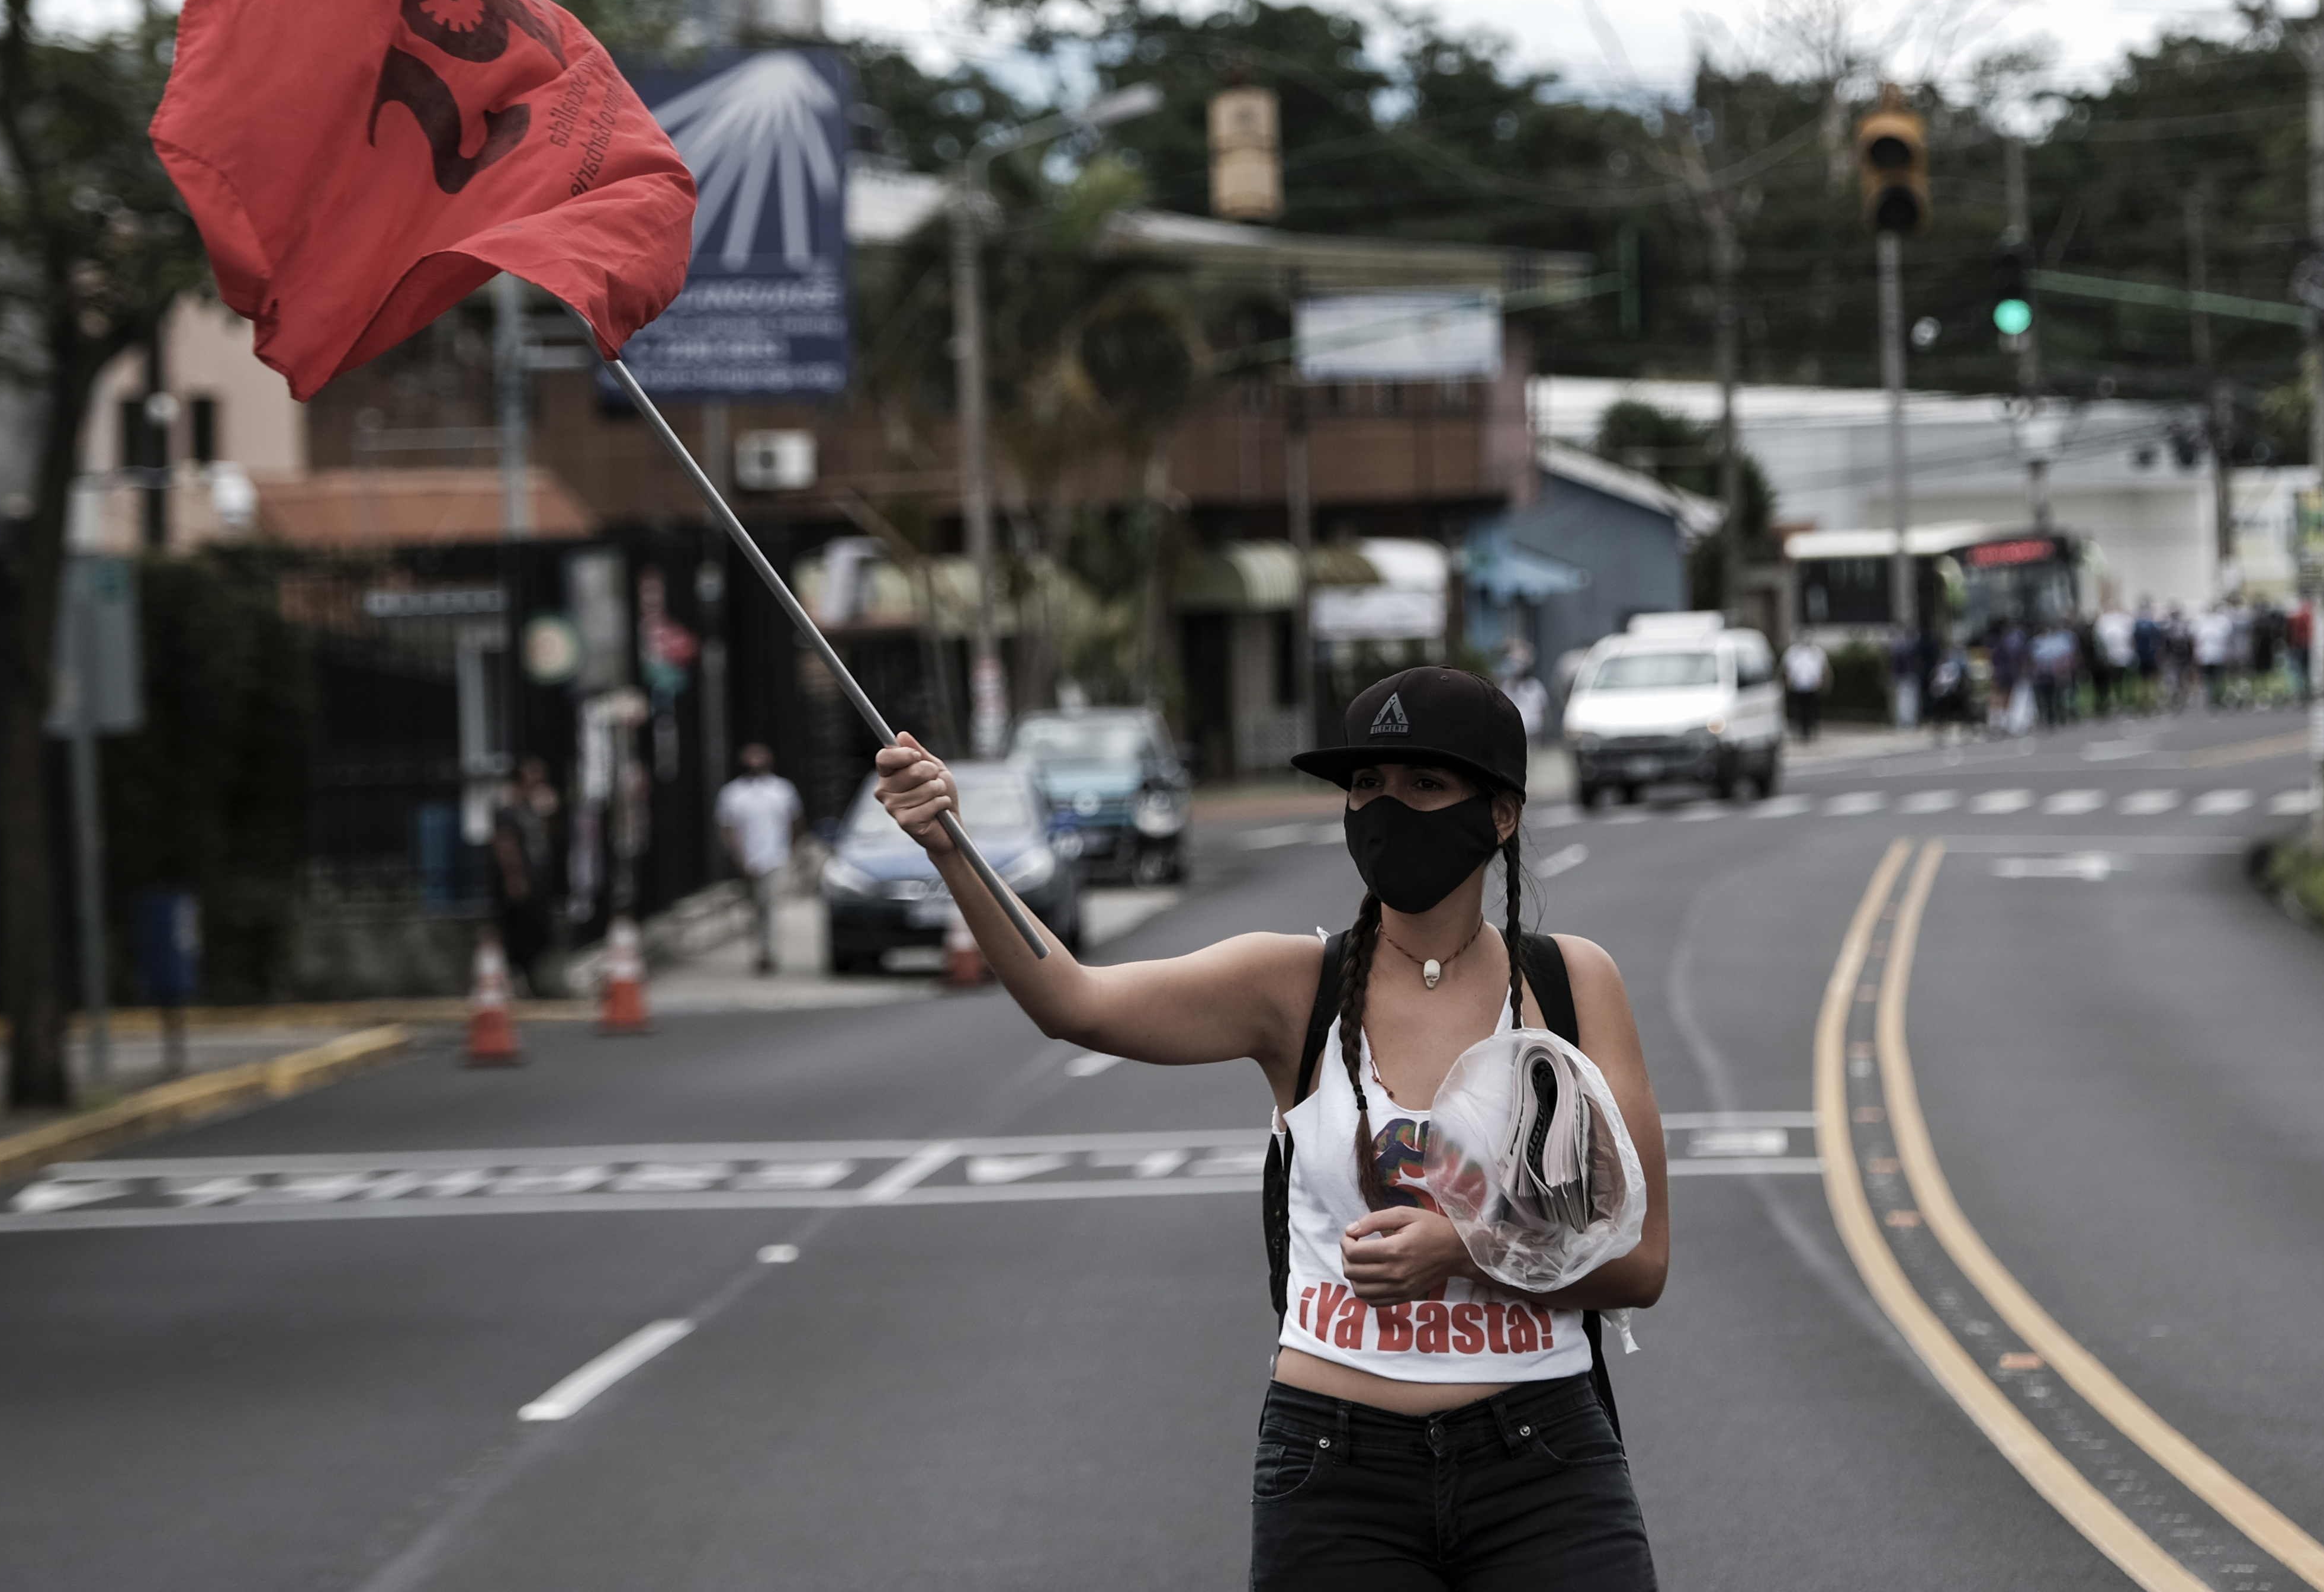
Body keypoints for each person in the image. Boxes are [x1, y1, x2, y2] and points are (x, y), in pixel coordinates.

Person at [871, 667, 1669, 1590]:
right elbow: (1073, 1002)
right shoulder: (1292, 987)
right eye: (1367, 786)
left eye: (1424, 786)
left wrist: (1461, 1249)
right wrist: (947, 845)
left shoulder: (1574, 984)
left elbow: (1642, 1265)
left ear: (1500, 816)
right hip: (1335, 1471)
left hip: (1545, 1461)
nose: (1386, 808)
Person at [716, 743, 806, 975]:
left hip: (776, 858)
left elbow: (795, 822)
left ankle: (766, 953)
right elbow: (727, 828)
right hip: (746, 861)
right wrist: (738, 857)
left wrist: (791, 851)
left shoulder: (782, 790)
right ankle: (759, 949)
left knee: (768, 906)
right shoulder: (733, 793)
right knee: (754, 908)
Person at [489, 758, 562, 997]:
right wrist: (515, 877)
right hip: (521, 882)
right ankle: (516, 979)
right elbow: (506, 845)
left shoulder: (533, 809)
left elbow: (546, 839)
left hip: (539, 881)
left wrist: (548, 813)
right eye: (534, 779)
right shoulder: (507, 810)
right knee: (520, 932)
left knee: (539, 931)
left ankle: (532, 979)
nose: (538, 784)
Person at [1782, 632, 1831, 744]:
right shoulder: (1792, 652)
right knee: (1800, 710)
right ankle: (1802, 731)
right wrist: (1789, 682)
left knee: (1811, 710)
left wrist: (1823, 683)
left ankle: (1810, 730)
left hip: (1812, 687)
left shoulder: (1817, 652)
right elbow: (1787, 669)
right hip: (1798, 687)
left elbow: (1824, 669)